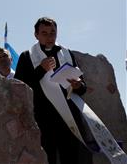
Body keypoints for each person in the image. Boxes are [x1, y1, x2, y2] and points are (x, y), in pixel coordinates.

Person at [14, 17, 92, 164]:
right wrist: (40, 70)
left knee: (71, 158)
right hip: (43, 119)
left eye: (52, 33)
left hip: (69, 118)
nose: (49, 37)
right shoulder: (26, 57)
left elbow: (82, 87)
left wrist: (78, 86)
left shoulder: (66, 53)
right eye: (44, 33)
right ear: (36, 35)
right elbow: (19, 87)